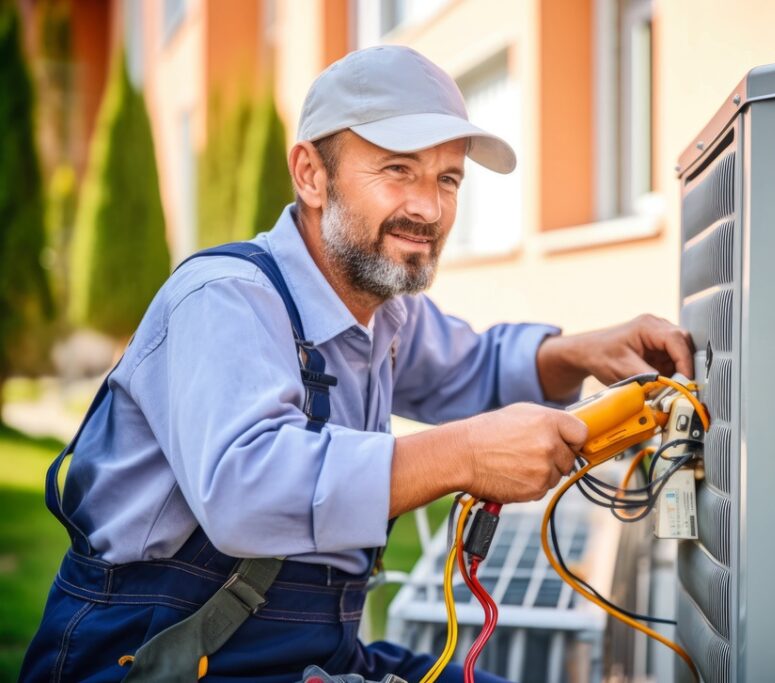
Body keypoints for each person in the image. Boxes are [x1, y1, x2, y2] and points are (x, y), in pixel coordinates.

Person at [20, 45, 694, 683]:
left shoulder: (384, 308)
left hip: (307, 653)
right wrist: (462, 455)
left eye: (447, 178)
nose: (428, 207)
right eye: (398, 169)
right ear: (312, 174)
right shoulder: (224, 301)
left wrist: (582, 351)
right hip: (157, 655)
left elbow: (476, 370)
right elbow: (245, 487)